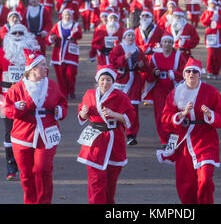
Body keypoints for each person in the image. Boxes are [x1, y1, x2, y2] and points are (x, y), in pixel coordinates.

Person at [157, 57, 221, 204]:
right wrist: (181, 115)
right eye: (188, 71)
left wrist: (211, 115)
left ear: (199, 74)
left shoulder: (210, 92)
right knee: (186, 184)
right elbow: (165, 118)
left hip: (206, 139)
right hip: (183, 142)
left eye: (195, 72)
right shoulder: (175, 93)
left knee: (205, 179)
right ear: (184, 75)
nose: (191, 74)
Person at [3, 49, 68, 204]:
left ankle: (44, 201)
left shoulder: (52, 85)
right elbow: (7, 110)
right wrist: (17, 107)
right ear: (32, 68)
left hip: (47, 133)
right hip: (22, 136)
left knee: (43, 169)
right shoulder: (17, 88)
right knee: (26, 174)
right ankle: (31, 201)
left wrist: (60, 110)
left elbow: (62, 103)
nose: (46, 68)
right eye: (43, 65)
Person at [77, 65, 136, 204]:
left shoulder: (121, 96)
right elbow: (82, 114)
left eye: (108, 80)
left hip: (115, 139)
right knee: (96, 180)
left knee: (110, 182)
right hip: (94, 140)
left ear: (113, 81)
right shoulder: (89, 94)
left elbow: (131, 117)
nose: (105, 83)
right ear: (98, 80)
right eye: (102, 79)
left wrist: (115, 115)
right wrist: (83, 114)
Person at [0, 23, 41, 180]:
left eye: (20, 33)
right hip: (6, 97)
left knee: (29, 131)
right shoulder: (1, 53)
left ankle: (27, 163)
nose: (17, 36)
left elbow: (41, 75)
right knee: (8, 131)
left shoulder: (33, 54)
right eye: (14, 33)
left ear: (26, 35)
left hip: (27, 97)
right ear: (9, 35)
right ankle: (11, 164)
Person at [143, 33, 186, 146]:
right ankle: (164, 139)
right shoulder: (155, 57)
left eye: (169, 42)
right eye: (165, 42)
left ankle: (174, 135)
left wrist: (173, 74)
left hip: (174, 89)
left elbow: (184, 72)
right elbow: (148, 74)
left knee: (174, 112)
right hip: (159, 89)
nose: (167, 44)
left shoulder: (178, 56)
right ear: (161, 43)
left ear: (173, 44)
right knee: (160, 114)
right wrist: (154, 72)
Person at [109, 28, 150, 145]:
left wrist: (143, 65)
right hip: (122, 79)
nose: (131, 38)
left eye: (133, 35)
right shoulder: (119, 48)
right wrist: (124, 58)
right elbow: (112, 61)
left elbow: (146, 65)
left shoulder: (138, 49)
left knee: (133, 108)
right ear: (124, 37)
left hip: (134, 80)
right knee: (119, 105)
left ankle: (131, 134)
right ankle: (118, 130)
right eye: (129, 35)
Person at [46, 8, 82, 100]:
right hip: (59, 53)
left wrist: (74, 34)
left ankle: (71, 90)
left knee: (71, 73)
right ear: (62, 16)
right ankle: (63, 92)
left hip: (71, 53)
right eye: (65, 15)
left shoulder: (75, 25)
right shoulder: (57, 25)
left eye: (69, 15)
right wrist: (52, 37)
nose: (67, 17)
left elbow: (79, 36)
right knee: (60, 75)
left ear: (71, 16)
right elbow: (49, 39)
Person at [200, 0, 221, 79]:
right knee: (211, 54)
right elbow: (204, 22)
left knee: (218, 56)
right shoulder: (206, 12)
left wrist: (218, 25)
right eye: (210, 3)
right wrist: (209, 18)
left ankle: (216, 72)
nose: (212, 5)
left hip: (220, 37)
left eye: (213, 3)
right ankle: (210, 71)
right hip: (210, 35)